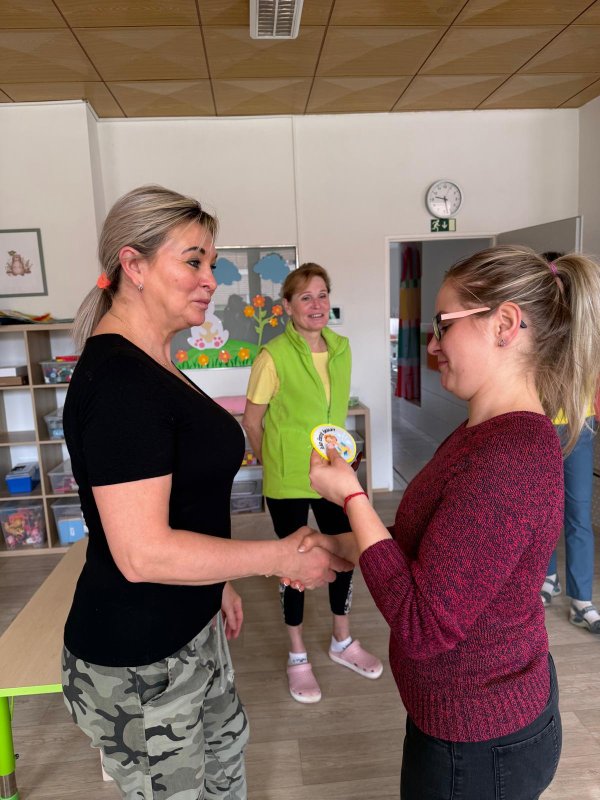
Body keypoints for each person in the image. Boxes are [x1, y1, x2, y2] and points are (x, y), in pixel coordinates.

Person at [60, 186, 351, 800]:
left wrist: (216, 581)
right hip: (141, 657)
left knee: (225, 768)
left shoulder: (156, 362)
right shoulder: (120, 383)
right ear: (133, 265)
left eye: (211, 263)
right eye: (193, 261)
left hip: (192, 626)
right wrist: (276, 557)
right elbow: (142, 553)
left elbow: (182, 501)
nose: (210, 279)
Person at [304, 245, 600, 799]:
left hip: (480, 744)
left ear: (504, 325)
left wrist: (353, 498)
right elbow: (435, 551)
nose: (433, 345)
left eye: (444, 325)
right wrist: (339, 544)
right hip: (464, 722)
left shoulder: (510, 455)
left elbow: (424, 625)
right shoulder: (482, 434)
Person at [242, 263, 383, 704]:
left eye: (322, 295)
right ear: (287, 306)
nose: (316, 304)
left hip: (332, 474)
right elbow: (252, 420)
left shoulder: (341, 349)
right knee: (295, 562)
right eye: (306, 297)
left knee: (345, 553)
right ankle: (297, 653)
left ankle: (342, 639)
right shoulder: (272, 356)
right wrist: (272, 462)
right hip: (287, 478)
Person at [538, 253, 600, 633]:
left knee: (578, 515)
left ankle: (582, 600)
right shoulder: (538, 327)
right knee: (545, 511)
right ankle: (548, 578)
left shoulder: (589, 330)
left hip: (581, 426)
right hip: (542, 427)